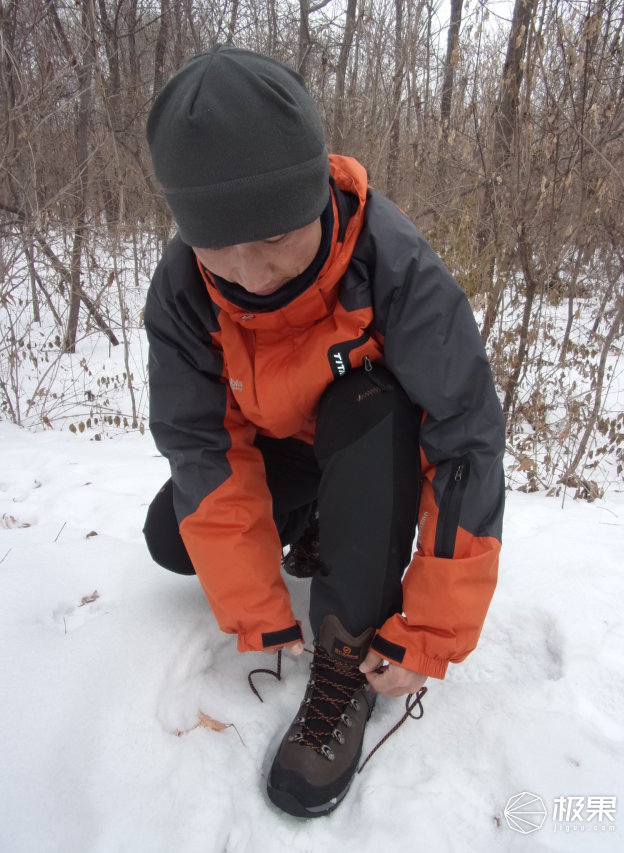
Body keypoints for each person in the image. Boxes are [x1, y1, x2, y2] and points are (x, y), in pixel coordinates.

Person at [143, 44, 505, 819]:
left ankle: (348, 655)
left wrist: (432, 630)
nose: (252, 271)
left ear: (313, 196)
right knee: (171, 536)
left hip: (375, 441)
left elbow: (466, 434)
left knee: (367, 401)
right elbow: (201, 445)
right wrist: (258, 606)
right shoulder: (182, 290)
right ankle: (314, 528)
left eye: (274, 236)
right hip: (290, 447)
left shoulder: (392, 261)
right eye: (219, 245)